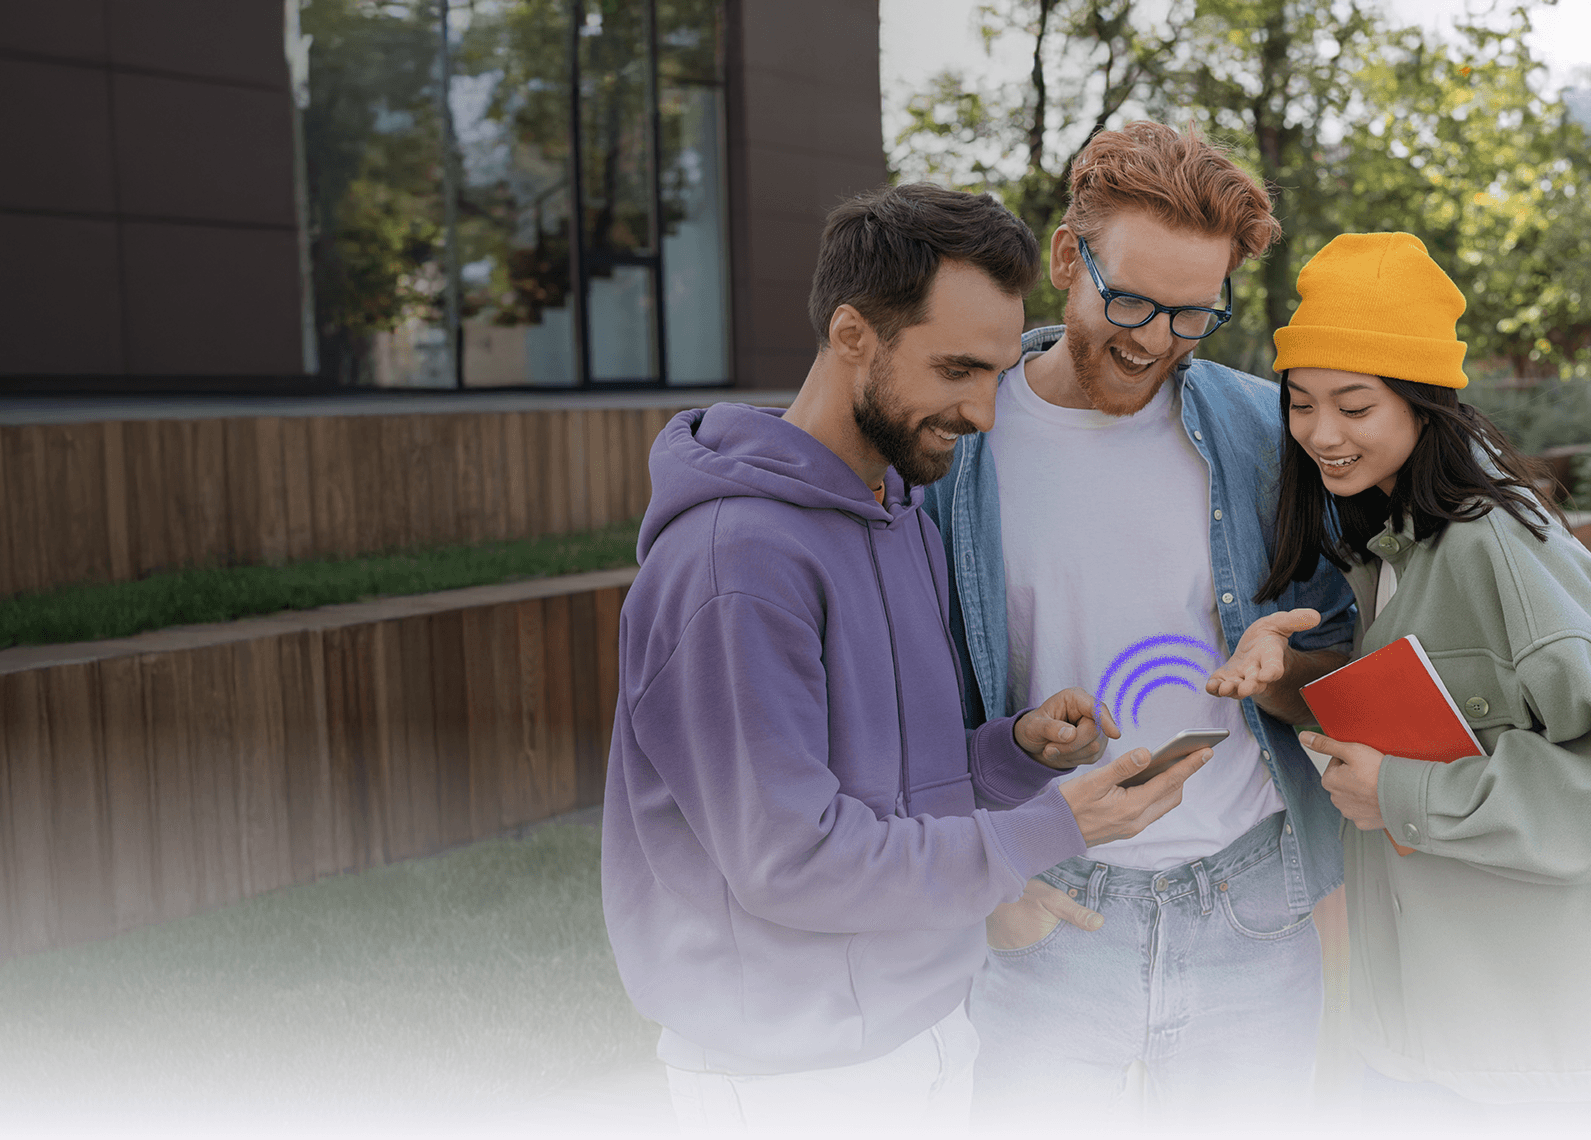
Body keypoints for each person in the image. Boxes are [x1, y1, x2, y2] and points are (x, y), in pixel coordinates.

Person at [600, 181, 1211, 1134]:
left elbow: (895, 786)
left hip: (927, 1030)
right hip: (790, 1076)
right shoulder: (736, 567)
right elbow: (793, 859)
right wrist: (1052, 828)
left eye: (997, 376)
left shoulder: (898, 514)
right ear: (854, 335)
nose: (985, 413)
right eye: (957, 371)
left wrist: (1012, 753)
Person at [922, 121, 1357, 1119]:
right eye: (1131, 302)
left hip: (1252, 908)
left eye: (1191, 317)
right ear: (1070, 256)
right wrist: (990, 890)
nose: (1156, 340)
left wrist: (1282, 670)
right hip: (1051, 900)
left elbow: (1336, 659)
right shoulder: (963, 446)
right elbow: (916, 689)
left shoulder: (1263, 432)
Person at [1256, 231, 1591, 1121]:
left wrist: (1406, 794)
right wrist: (1284, 676)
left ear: (1423, 403)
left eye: (1355, 406)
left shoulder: (1496, 544)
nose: (1321, 435)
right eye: (1300, 403)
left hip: (1508, 1062)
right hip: (1408, 1039)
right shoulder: (1390, 546)